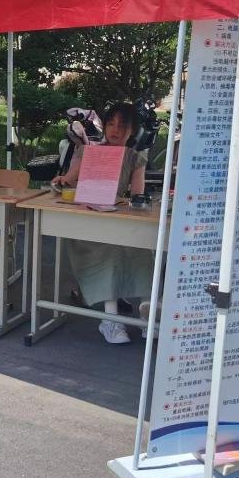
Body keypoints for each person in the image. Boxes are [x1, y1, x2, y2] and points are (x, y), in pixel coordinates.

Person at [51, 102, 153, 344]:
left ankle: (148, 317)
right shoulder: (89, 151)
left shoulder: (135, 157)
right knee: (111, 250)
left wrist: (131, 200)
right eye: (111, 123)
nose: (115, 130)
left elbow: (137, 194)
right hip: (88, 225)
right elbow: (67, 180)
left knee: (143, 250)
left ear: (133, 130)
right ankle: (110, 320)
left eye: (122, 125)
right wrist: (61, 182)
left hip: (116, 220)